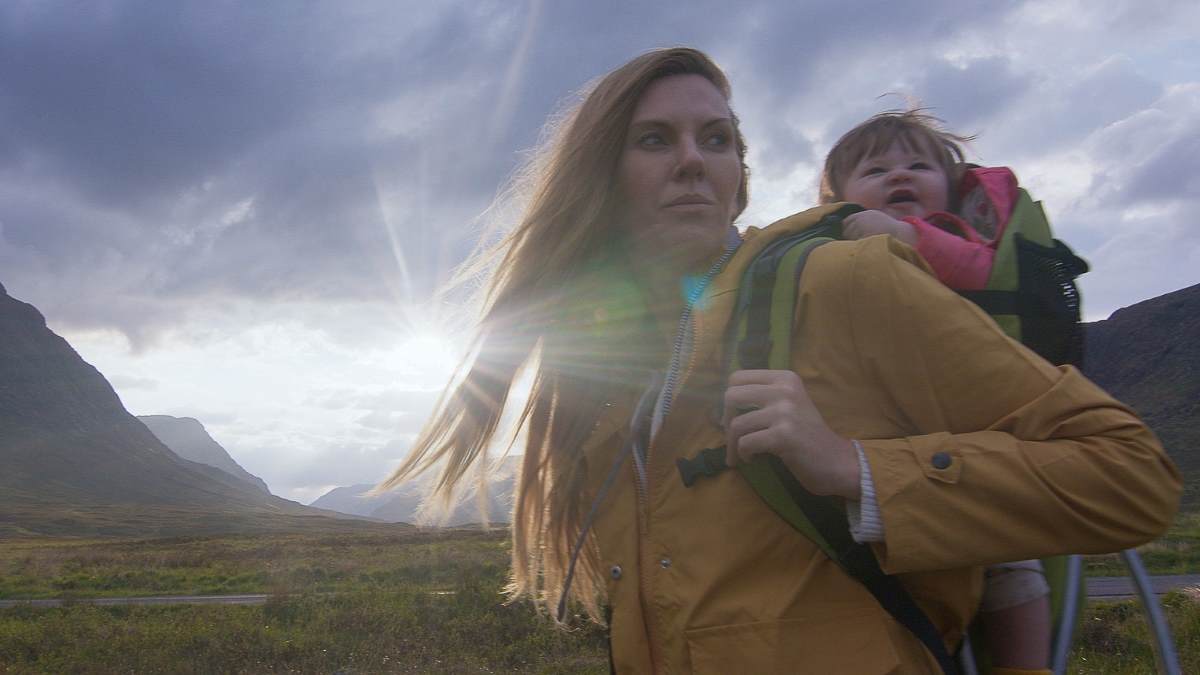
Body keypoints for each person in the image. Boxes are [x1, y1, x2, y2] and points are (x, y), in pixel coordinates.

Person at [379, 47, 1180, 674]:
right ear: (600, 181)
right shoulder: (600, 382)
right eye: (654, 139)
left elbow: (1131, 477)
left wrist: (856, 469)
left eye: (716, 139)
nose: (693, 159)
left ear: (738, 181)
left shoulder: (845, 281)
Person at [820, 110, 1052, 673]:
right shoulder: (831, 254)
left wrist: (910, 237)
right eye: (876, 170)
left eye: (918, 166)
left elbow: (981, 272)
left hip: (975, 442)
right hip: (884, 443)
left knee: (1012, 566)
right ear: (839, 200)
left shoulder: (960, 238)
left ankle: (1025, 667)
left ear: (951, 187)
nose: (899, 175)